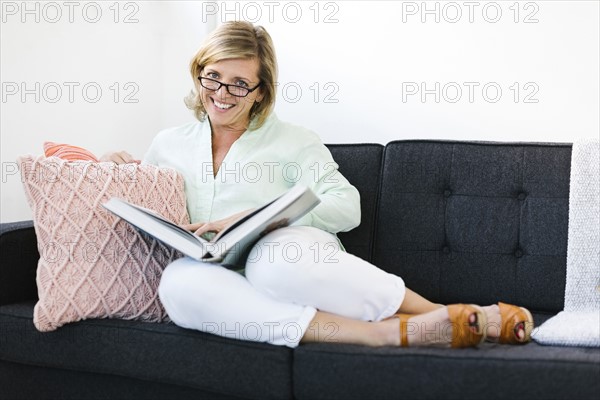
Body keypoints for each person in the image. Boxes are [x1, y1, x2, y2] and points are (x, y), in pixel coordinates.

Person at [101, 21, 533, 348]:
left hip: (291, 259)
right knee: (176, 283)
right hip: (223, 277)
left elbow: (347, 206)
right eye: (212, 76)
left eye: (239, 83)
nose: (222, 93)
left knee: (273, 262)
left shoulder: (295, 141)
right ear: (199, 75)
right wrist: (107, 167)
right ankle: (383, 335)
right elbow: (150, 206)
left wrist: (260, 219)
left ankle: (451, 315)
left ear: (259, 92)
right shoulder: (168, 144)